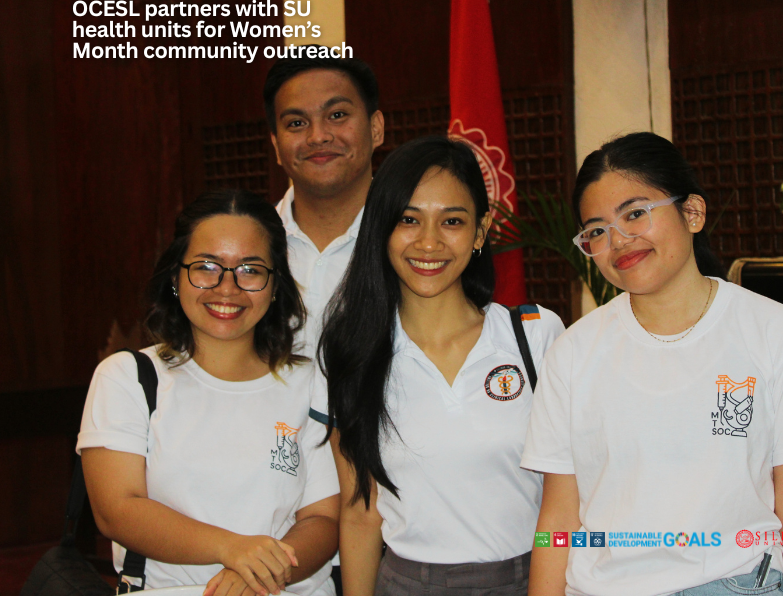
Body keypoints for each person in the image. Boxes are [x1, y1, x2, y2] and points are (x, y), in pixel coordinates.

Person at [522, 132, 783, 596]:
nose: (618, 240)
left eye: (636, 213)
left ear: (693, 212)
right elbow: (556, 522)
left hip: (736, 584)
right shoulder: (573, 353)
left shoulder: (778, 333)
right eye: (597, 230)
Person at [314, 136, 566, 596]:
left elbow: (567, 497)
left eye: (452, 221)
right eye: (408, 220)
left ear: (479, 232)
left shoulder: (535, 336)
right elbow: (360, 511)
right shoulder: (354, 351)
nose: (428, 242)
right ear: (381, 229)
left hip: (532, 581)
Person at [77, 189, 340, 596]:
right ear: (175, 278)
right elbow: (117, 510)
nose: (227, 287)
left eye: (250, 270)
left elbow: (323, 518)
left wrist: (263, 572)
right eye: (206, 267)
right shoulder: (129, 377)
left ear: (275, 286)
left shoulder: (309, 382)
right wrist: (233, 550)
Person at [264, 52, 384, 357]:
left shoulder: (415, 241)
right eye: (297, 123)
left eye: (337, 115)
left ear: (376, 128)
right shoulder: (248, 247)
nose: (317, 136)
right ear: (277, 147)